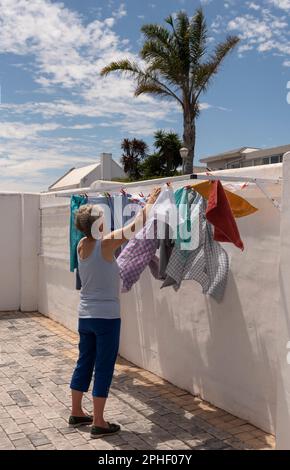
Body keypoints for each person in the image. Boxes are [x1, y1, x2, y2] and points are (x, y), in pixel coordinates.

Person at [69, 188, 161, 438]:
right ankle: (99, 421)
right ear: (97, 224)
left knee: (84, 362)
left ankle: (77, 412)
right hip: (106, 317)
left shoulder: (81, 245)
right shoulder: (106, 243)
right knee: (104, 366)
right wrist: (152, 201)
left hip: (85, 315)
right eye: (102, 218)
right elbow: (136, 225)